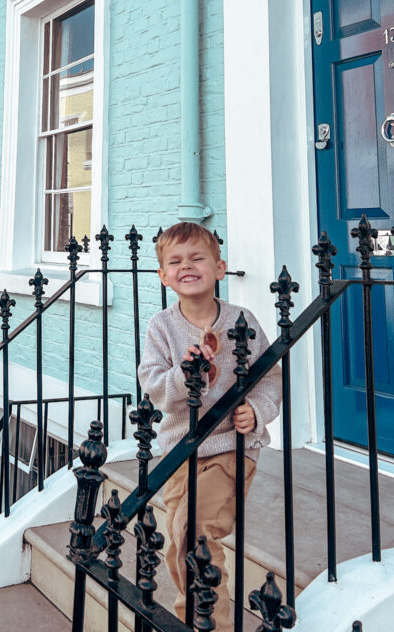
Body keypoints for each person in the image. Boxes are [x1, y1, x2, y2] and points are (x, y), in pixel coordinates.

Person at [138, 222, 281, 630]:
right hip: (180, 452)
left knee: (196, 532)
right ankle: (196, 620)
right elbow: (155, 388)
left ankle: (209, 627)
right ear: (164, 276)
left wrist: (256, 408)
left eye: (198, 258)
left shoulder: (243, 320)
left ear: (219, 268)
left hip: (231, 448)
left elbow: (269, 377)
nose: (187, 266)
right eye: (175, 261)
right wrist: (189, 375)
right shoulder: (161, 327)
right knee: (177, 548)